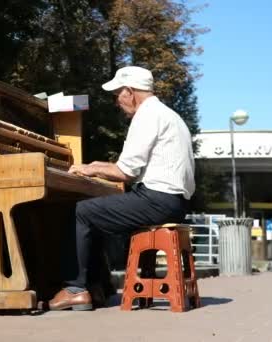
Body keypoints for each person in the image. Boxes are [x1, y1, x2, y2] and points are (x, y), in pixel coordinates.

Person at [48, 66, 195, 311]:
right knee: (95, 213)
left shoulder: (147, 116)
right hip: (174, 202)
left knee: (81, 212)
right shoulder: (169, 115)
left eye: (118, 94)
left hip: (157, 199)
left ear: (130, 92)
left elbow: (125, 172)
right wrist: (96, 167)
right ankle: (97, 287)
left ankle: (75, 289)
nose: (117, 101)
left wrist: (89, 169)